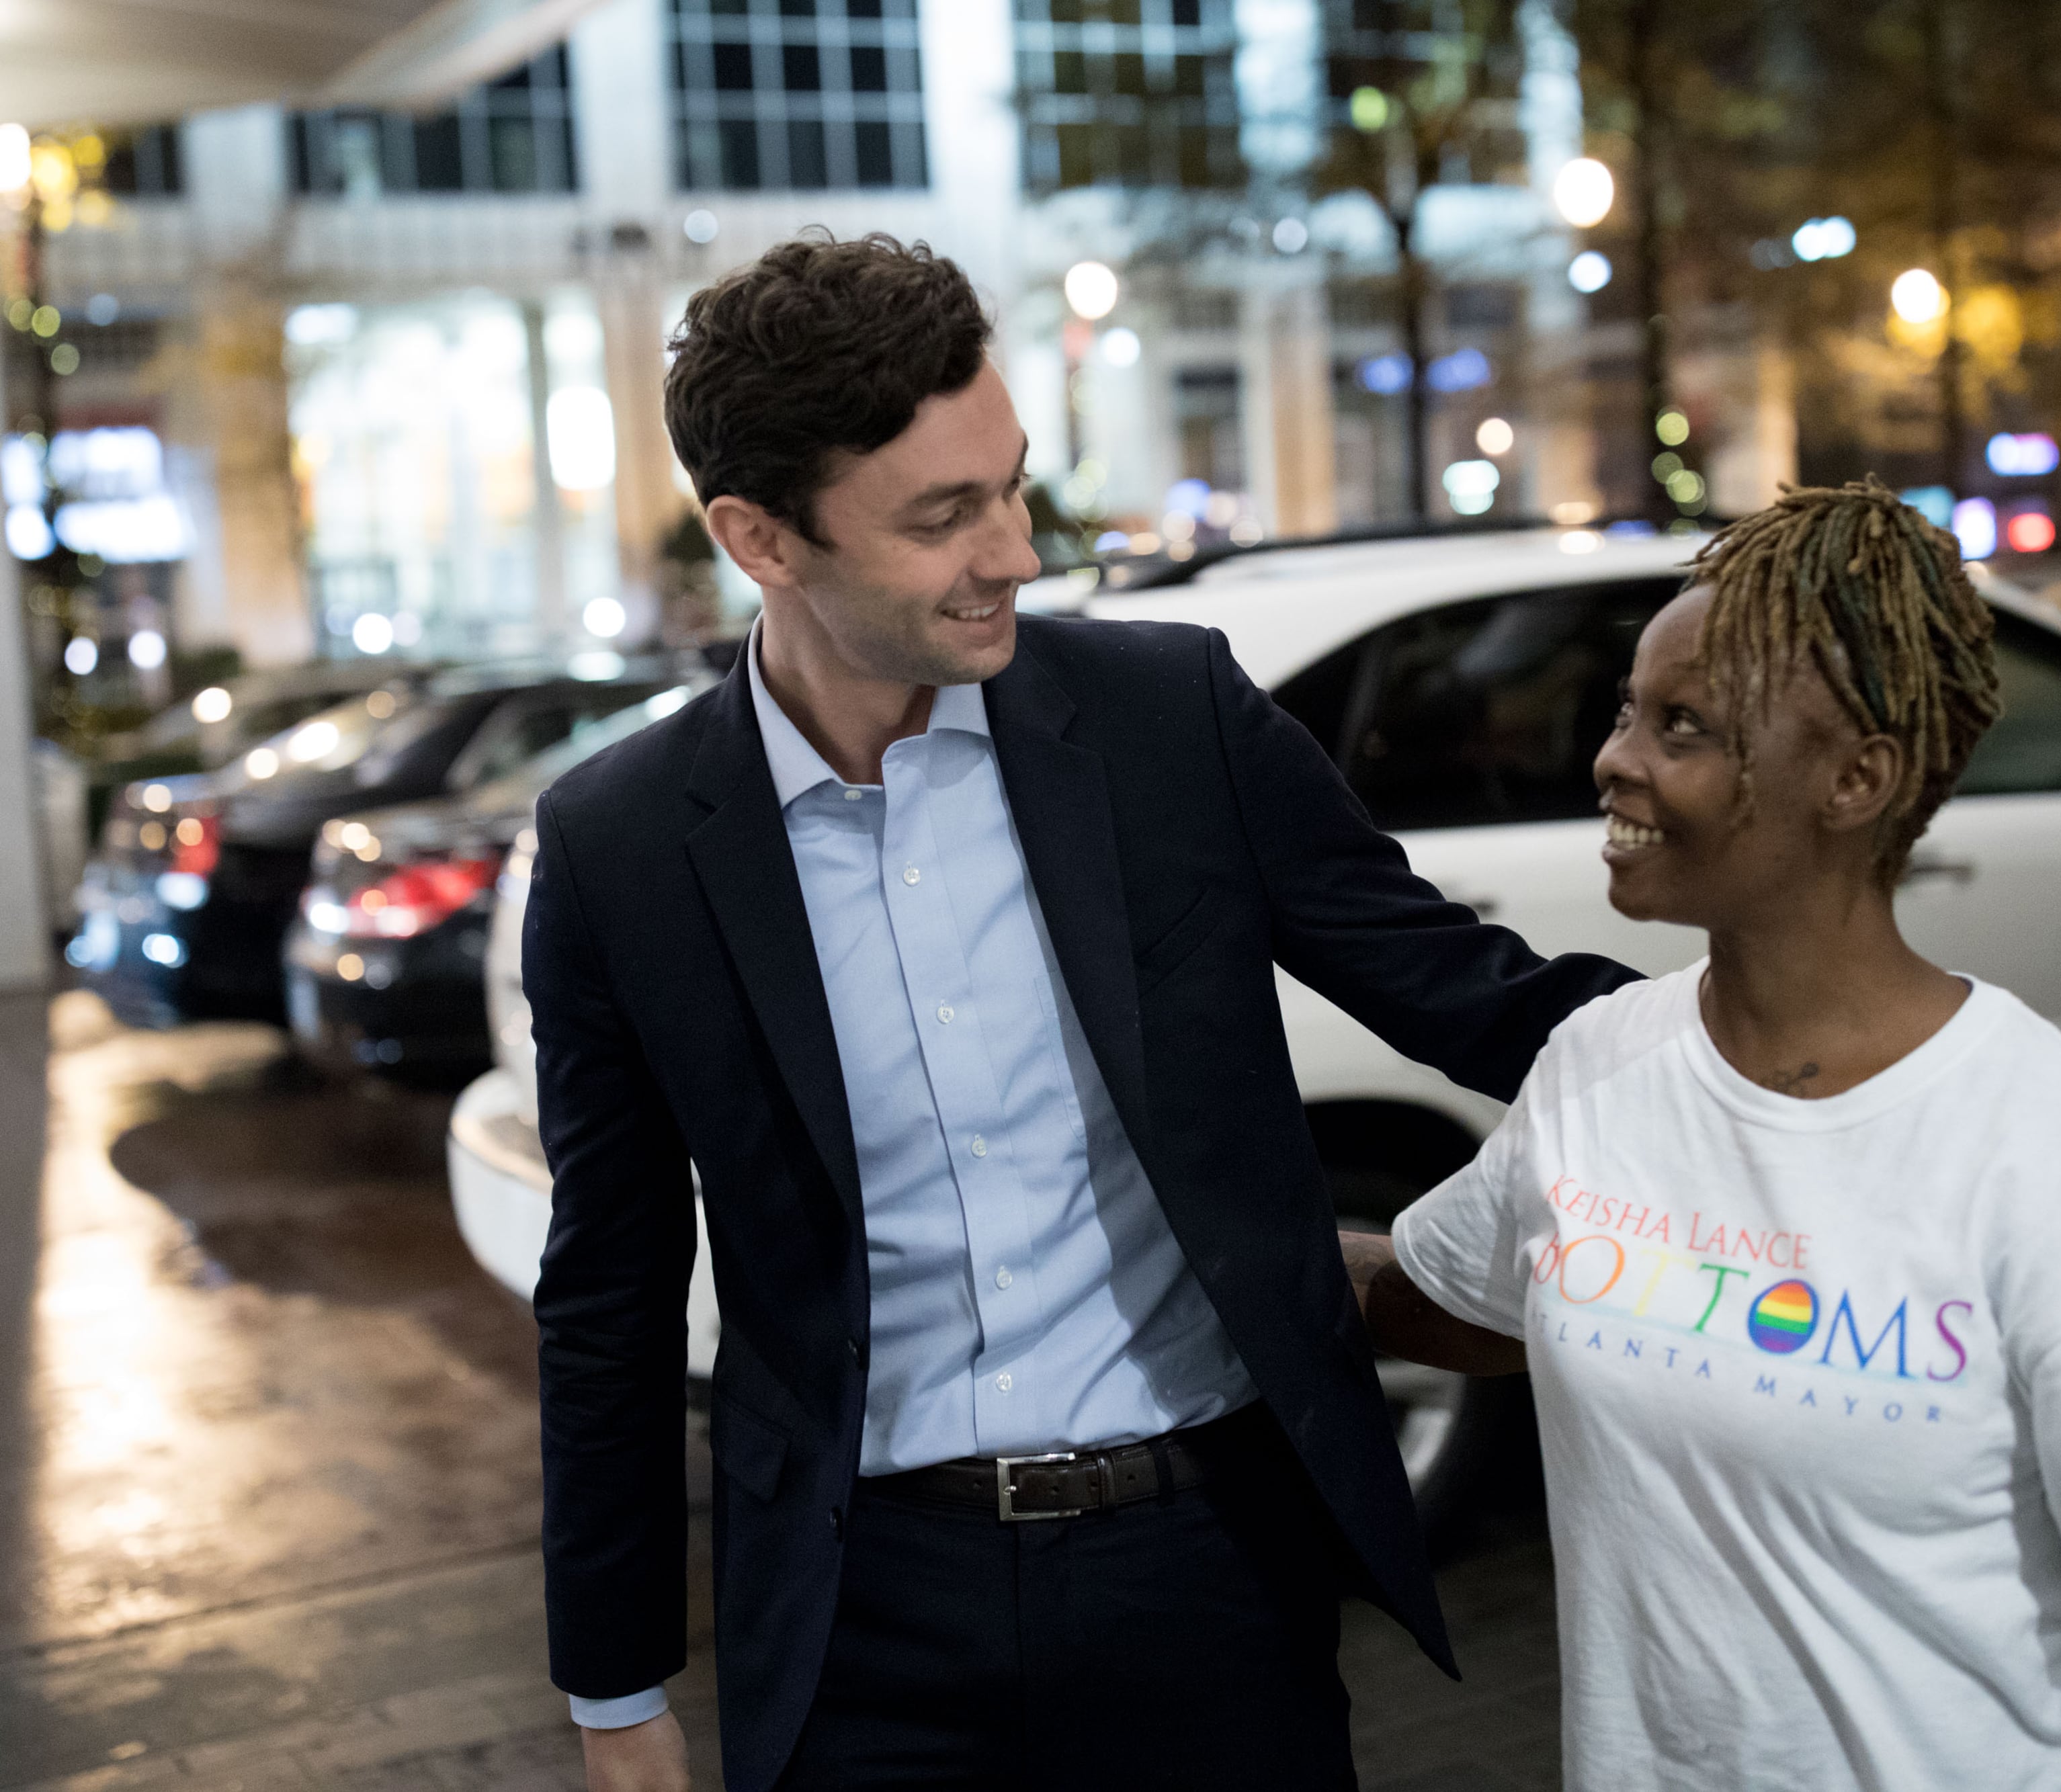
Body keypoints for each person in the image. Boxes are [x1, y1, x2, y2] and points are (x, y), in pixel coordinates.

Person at [523, 231, 1638, 1792]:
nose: (1018, 551)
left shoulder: (1170, 719)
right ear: (760, 537)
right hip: (861, 1614)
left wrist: (1813, 1056)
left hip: (1207, 1571)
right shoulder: (619, 847)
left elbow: (1469, 995)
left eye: (1012, 484)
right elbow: (610, 1292)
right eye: (943, 515)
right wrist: (615, 1688)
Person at [1344, 482, 2061, 1791]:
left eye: (1684, 726)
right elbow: (1439, 1295)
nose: (1615, 758)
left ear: (1856, 777)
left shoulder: (2057, 1142)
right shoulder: (1600, 1069)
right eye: (1626, 710)